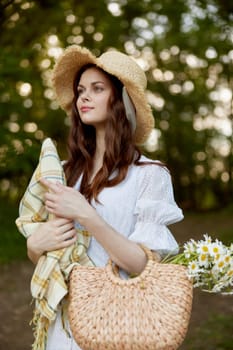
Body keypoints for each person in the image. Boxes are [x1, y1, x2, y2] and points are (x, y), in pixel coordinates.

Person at [25, 45, 183, 350]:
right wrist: (35, 246)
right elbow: (50, 257)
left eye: (97, 89)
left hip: (118, 320)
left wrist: (87, 216)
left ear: (121, 101)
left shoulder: (149, 174)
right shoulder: (64, 171)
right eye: (81, 89)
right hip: (63, 323)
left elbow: (145, 264)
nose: (83, 96)